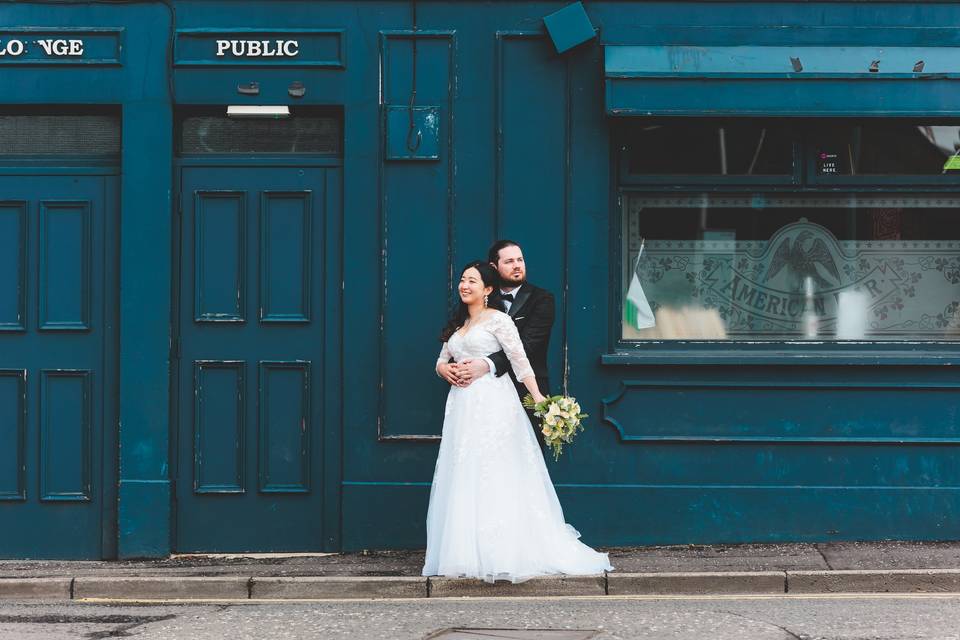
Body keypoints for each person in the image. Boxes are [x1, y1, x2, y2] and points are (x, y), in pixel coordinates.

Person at [422, 260, 612, 583]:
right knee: (464, 470)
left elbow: (520, 362)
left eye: (472, 281)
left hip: (494, 402)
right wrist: (445, 370)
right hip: (462, 407)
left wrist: (540, 400)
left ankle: (503, 551)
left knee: (495, 469)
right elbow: (442, 360)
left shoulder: (499, 321)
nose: (464, 286)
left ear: (488, 289)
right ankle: (463, 553)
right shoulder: (458, 326)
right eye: (462, 280)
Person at [436, 240, 554, 445]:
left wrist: (486, 364)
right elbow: (445, 354)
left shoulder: (542, 299)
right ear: (493, 267)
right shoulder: (471, 303)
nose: (517, 265)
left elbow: (526, 347)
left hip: (520, 388)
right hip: (465, 398)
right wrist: (442, 368)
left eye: (520, 260)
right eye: (509, 261)